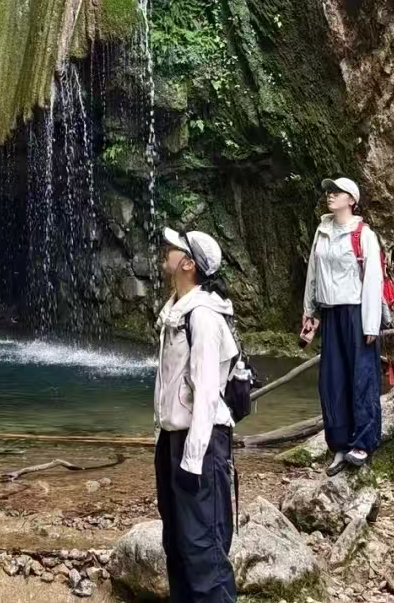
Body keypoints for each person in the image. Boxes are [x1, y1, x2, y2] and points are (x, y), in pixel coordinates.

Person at [154, 226, 239, 603]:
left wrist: (191, 460)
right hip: (173, 438)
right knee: (177, 543)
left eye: (173, 248)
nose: (165, 250)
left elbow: (206, 394)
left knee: (203, 548)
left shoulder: (202, 316)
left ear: (188, 263)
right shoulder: (177, 311)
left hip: (200, 445)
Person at [300, 175, 384, 474]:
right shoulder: (322, 231)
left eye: (337, 192)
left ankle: (363, 443)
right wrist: (310, 310)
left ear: (352, 200)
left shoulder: (364, 235)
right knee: (332, 381)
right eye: (329, 191)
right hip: (331, 313)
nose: (330, 195)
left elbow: (373, 280)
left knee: (362, 378)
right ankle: (338, 444)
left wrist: (371, 324)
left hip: (358, 312)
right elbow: (313, 272)